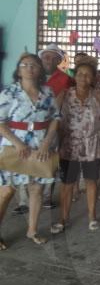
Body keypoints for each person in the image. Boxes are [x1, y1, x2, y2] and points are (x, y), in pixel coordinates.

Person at [0, 54, 60, 249]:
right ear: (18, 70)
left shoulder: (48, 92)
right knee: (7, 191)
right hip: (15, 147)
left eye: (33, 65)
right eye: (24, 65)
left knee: (36, 189)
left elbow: (55, 119)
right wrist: (18, 143)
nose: (29, 68)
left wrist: (46, 144)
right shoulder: (9, 93)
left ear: (40, 70)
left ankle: (32, 230)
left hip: (41, 148)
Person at [51, 62, 100, 234]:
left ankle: (92, 217)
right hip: (69, 146)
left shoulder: (98, 96)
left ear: (93, 78)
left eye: (87, 74)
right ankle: (63, 219)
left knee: (92, 182)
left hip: (93, 145)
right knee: (68, 184)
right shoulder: (65, 94)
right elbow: (54, 120)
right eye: (80, 73)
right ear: (74, 75)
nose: (83, 77)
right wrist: (53, 144)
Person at [39, 43, 74, 210]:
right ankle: (24, 200)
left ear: (59, 61)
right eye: (46, 56)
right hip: (31, 126)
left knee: (50, 159)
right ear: (41, 58)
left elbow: (60, 103)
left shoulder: (64, 78)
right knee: (27, 158)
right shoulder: (33, 75)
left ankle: (46, 196)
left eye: (54, 58)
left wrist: (54, 124)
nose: (49, 60)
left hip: (52, 124)